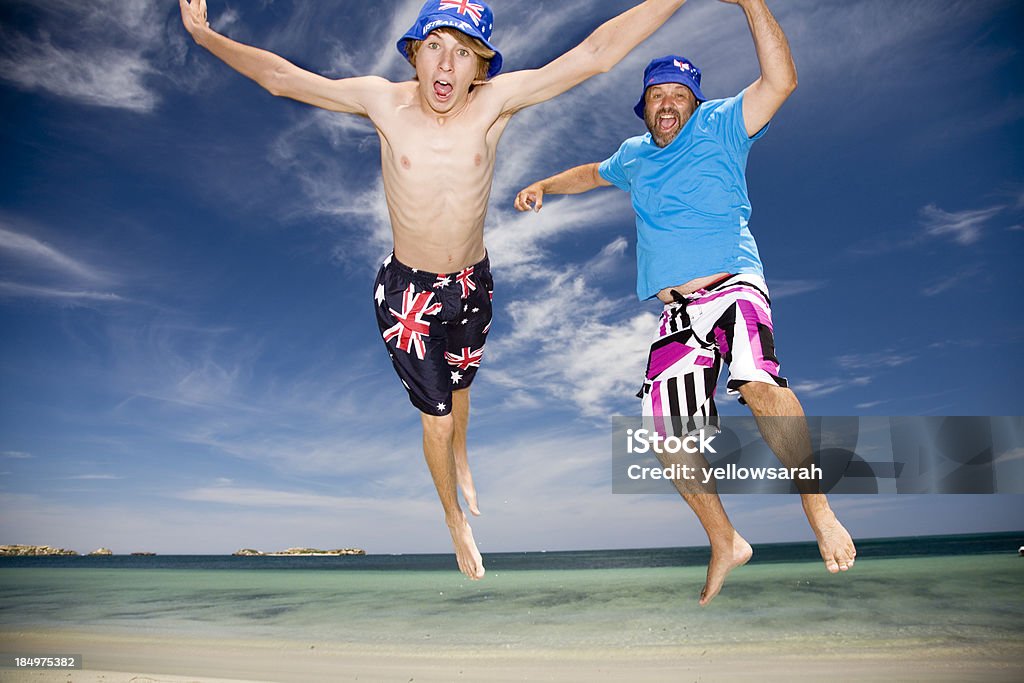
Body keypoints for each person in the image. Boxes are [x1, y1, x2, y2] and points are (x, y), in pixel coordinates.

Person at [179, 0, 690, 581]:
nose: (447, 65)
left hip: (473, 280)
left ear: (481, 67)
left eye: (463, 53)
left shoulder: (496, 104)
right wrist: (204, 37)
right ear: (415, 55)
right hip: (409, 295)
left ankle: (463, 461)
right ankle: (453, 517)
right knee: (438, 417)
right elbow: (282, 80)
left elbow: (595, 56)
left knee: (463, 388)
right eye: (436, 49)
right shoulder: (381, 101)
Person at [514, 0, 856, 604]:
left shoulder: (723, 124)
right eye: (656, 95)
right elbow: (592, 173)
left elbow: (782, 81)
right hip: (675, 314)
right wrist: (543, 184)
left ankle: (818, 509)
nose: (667, 103)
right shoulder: (634, 156)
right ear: (643, 105)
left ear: (694, 101)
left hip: (733, 286)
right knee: (664, 434)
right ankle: (725, 540)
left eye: (678, 94)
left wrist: (751, 4)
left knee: (757, 383)